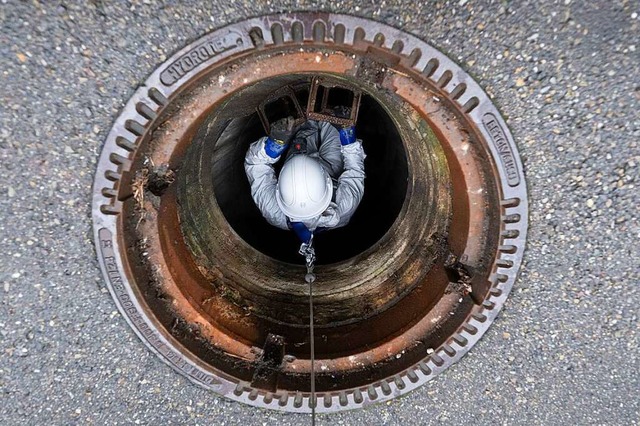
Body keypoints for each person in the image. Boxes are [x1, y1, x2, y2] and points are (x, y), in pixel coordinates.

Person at [244, 113, 366, 250]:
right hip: (331, 168)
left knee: (304, 130)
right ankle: (328, 111)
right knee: (333, 122)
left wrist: (273, 146)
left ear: (279, 190)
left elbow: (256, 166)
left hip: (295, 164)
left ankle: (307, 115)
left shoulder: (273, 211)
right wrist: (347, 138)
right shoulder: (344, 205)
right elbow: (355, 170)